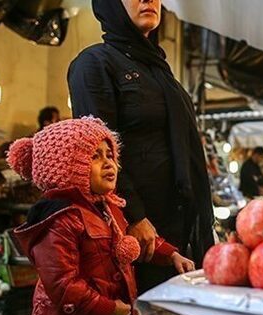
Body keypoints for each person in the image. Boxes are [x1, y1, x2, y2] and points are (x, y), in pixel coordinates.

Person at [6, 117, 194, 315]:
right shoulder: (58, 220)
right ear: (68, 166)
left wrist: (171, 255)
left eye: (110, 155)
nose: (109, 164)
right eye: (95, 156)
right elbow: (63, 285)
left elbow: (132, 241)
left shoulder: (108, 207)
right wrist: (106, 309)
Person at [68, 0, 214, 293]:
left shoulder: (160, 71)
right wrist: (134, 216)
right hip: (135, 237)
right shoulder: (94, 64)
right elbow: (98, 151)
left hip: (175, 233)